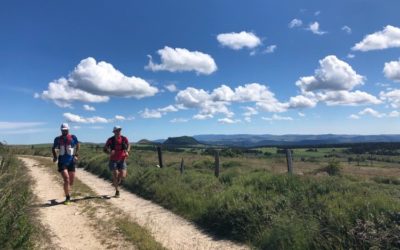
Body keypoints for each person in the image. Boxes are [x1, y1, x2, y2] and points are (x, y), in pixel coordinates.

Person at [52, 123, 80, 205]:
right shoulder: (57, 139)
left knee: (71, 182)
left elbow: (78, 144)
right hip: (62, 162)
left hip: (71, 161)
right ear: (61, 130)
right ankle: (67, 197)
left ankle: (67, 189)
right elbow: (53, 148)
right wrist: (55, 157)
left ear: (68, 129)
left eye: (66, 130)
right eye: (63, 130)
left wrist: (76, 154)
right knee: (66, 179)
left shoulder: (73, 137)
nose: (64, 131)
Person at [103, 126, 130, 198]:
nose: (118, 132)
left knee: (123, 175)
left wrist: (127, 151)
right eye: (117, 130)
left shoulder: (124, 138)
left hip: (122, 159)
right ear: (114, 132)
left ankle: (115, 181)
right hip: (113, 160)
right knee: (115, 174)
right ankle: (117, 191)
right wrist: (109, 152)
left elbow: (129, 145)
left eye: (119, 130)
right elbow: (105, 149)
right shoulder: (110, 140)